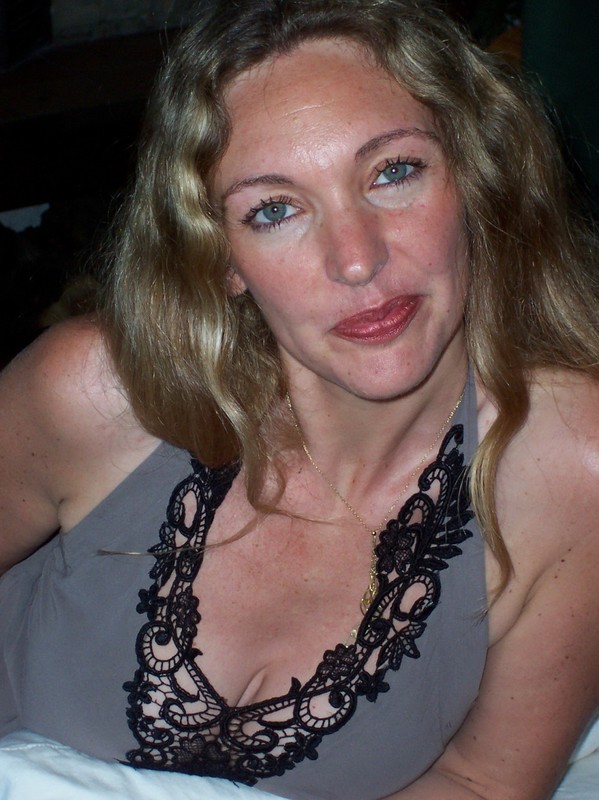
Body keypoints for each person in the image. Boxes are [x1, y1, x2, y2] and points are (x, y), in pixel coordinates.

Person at [0, 1, 598, 798]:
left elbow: (481, 781)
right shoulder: (97, 393)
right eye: (274, 210)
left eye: (392, 172)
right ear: (221, 257)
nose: (355, 260)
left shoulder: (575, 465)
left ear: (477, 177)